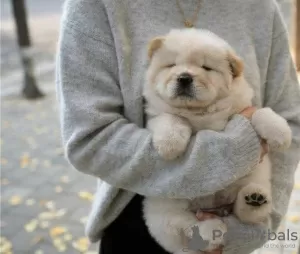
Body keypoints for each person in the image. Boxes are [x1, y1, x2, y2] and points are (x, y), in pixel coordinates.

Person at [55, 0, 300, 253]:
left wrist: (249, 231)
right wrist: (229, 153)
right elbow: (90, 139)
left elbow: (289, 123)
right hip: (139, 222)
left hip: (237, 225)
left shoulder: (260, 7)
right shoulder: (97, 5)